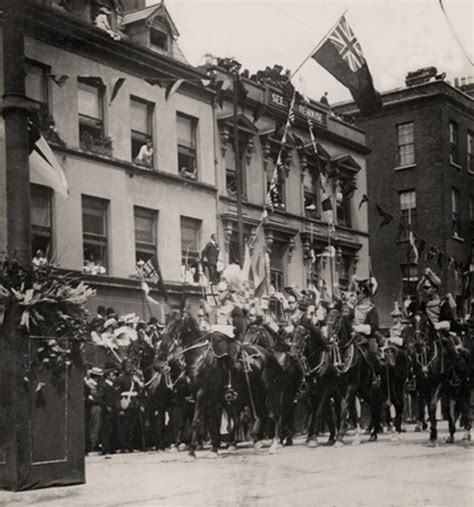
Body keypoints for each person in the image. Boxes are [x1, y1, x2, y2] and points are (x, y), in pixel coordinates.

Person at [351, 278, 383, 383]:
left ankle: (376, 375)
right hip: (354, 336)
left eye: (358, 293)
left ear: (364, 294)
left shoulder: (371, 308)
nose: (357, 295)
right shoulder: (354, 307)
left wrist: (359, 328)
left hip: (368, 337)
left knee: (372, 353)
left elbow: (373, 325)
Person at [97, 363, 119, 455]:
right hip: (107, 411)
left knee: (113, 429)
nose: (114, 376)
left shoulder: (112, 386)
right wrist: (106, 406)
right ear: (108, 376)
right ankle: (105, 448)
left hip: (113, 410)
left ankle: (111, 448)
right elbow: (99, 398)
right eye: (112, 375)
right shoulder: (104, 386)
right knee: (107, 430)